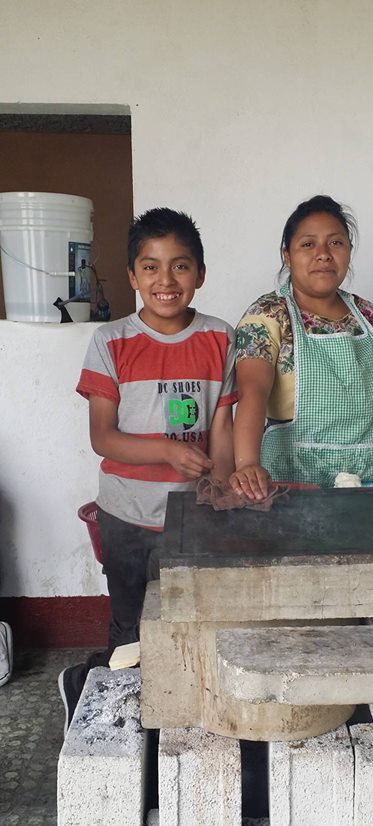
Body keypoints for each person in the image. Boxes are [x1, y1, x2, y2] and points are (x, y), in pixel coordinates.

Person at [58, 207, 236, 734]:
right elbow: (102, 438)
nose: (166, 280)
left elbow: (222, 428)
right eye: (151, 267)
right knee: (131, 626)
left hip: (195, 516)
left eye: (180, 266)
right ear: (133, 276)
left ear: (200, 275)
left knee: (194, 621)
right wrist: (165, 450)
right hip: (127, 515)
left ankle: (182, 726)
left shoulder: (221, 338)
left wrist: (222, 486)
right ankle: (122, 724)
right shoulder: (111, 342)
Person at [230, 194, 373, 500]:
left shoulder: (371, 316)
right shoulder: (268, 315)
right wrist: (247, 463)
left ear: (349, 251)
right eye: (308, 244)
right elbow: (252, 392)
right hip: (296, 473)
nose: (323, 254)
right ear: (287, 256)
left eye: (336, 243)